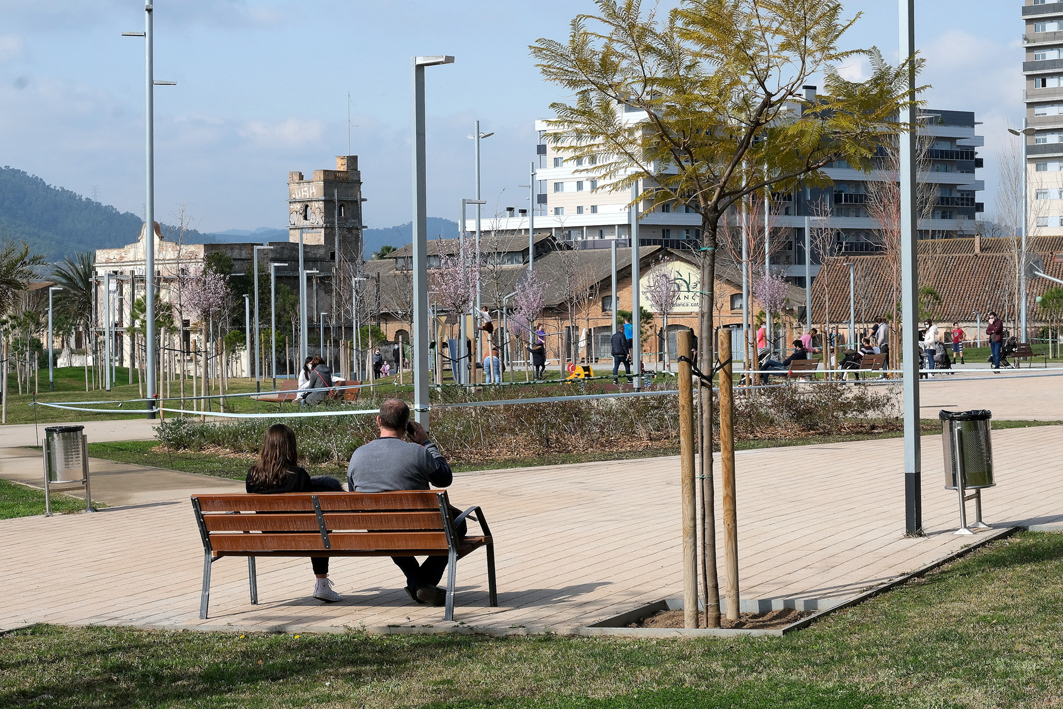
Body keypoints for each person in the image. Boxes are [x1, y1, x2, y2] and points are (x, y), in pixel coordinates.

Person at [347, 399, 461, 607]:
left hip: (378, 528)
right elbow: (444, 479)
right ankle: (421, 583)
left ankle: (416, 580)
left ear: (378, 420)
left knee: (387, 527)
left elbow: (353, 493)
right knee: (458, 524)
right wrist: (426, 443)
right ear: (406, 424)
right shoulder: (417, 452)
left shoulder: (357, 455)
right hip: (419, 527)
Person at [246, 424, 344, 603]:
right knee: (320, 528)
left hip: (267, 535)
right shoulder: (299, 475)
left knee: (317, 527)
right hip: (300, 536)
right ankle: (322, 584)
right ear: (291, 447)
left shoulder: (253, 475)